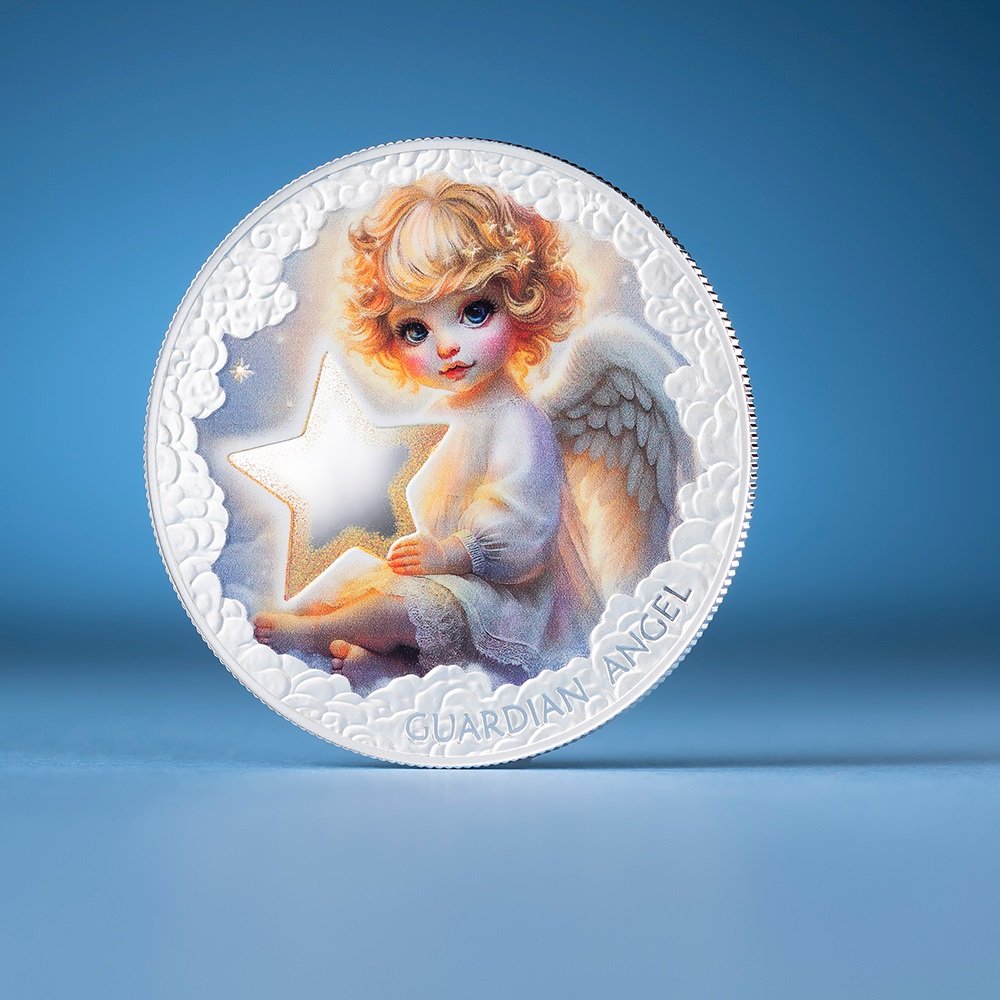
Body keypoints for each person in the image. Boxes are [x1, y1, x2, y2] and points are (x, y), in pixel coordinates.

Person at [253, 174, 602, 685]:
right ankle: (389, 664)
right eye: (416, 330)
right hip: (439, 574)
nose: (447, 346)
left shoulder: (517, 419)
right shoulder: (444, 412)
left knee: (396, 609)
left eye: (475, 312)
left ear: (523, 304)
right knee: (365, 590)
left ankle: (315, 634)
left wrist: (457, 552)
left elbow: (526, 526)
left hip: (504, 595)